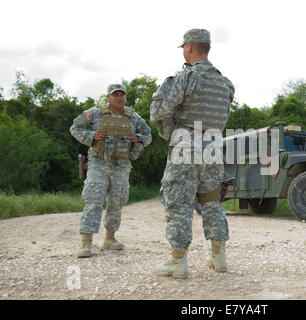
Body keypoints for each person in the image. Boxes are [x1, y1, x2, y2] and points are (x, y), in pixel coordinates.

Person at [150, 29, 235, 279]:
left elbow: (160, 112)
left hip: (186, 145)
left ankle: (178, 262)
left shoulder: (187, 77)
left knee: (179, 201)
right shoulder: (226, 83)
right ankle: (219, 258)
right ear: (206, 48)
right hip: (212, 147)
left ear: (188, 47)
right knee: (212, 202)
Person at [70, 83, 152, 258]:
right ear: (108, 97)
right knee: (94, 200)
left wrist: (137, 138)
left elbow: (148, 135)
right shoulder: (95, 113)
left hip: (121, 166)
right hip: (99, 163)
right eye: (116, 95)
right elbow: (75, 128)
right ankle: (86, 241)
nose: (120, 98)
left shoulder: (133, 117)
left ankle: (110, 238)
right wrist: (92, 136)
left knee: (117, 202)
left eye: (122, 95)